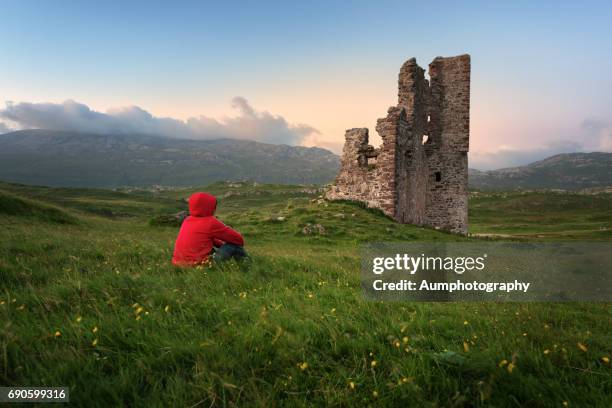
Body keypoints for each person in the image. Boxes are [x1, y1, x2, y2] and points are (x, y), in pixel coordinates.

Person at [172, 192, 246, 266]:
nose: (214, 209)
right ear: (208, 207)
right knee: (234, 245)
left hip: (178, 264)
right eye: (213, 206)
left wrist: (222, 245)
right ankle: (247, 266)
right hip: (201, 265)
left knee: (215, 249)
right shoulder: (210, 221)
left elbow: (208, 239)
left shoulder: (187, 220)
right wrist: (233, 239)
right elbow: (239, 240)